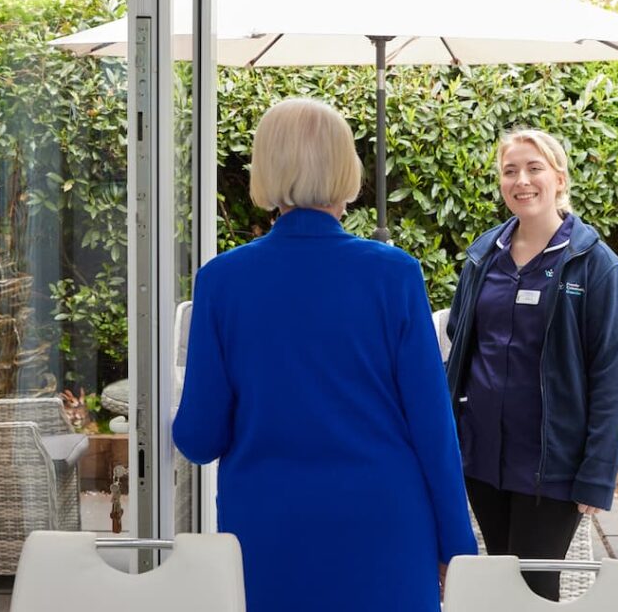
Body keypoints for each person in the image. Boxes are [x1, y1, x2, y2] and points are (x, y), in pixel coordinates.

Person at [173, 97, 476, 612]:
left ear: (265, 167)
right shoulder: (393, 274)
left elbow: (200, 439)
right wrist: (456, 545)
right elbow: (433, 426)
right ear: (345, 168)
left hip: (268, 533)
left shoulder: (222, 281)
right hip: (384, 529)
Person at [445, 128, 618, 601]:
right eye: (510, 171)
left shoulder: (594, 265)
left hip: (553, 465)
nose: (521, 180)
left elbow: (611, 374)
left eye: (534, 168)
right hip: (483, 457)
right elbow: (461, 342)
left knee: (535, 587)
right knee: (498, 579)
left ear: (559, 177)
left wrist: (596, 473)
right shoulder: (483, 256)